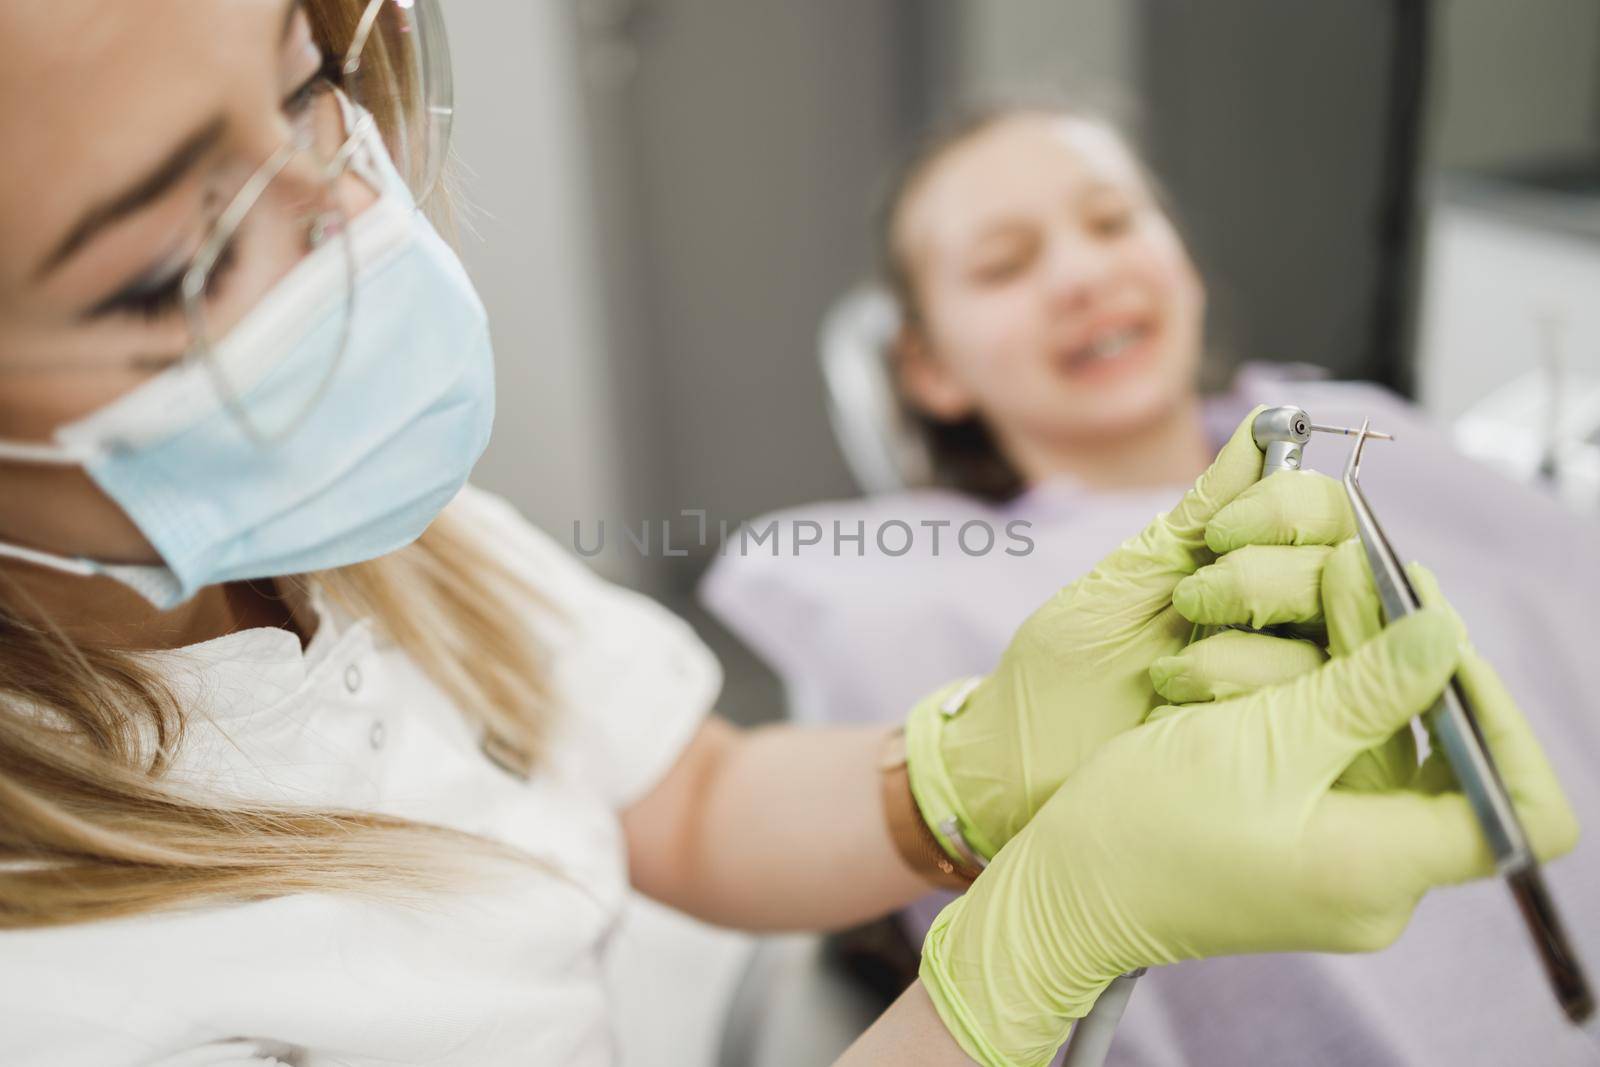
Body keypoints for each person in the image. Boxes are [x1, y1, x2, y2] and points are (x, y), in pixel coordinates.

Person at [0, 8, 1575, 1067]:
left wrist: (965, 767)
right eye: (166, 271)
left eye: (311, 90)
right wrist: (1021, 954)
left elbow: (682, 789)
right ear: (931, 369)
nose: (351, 223)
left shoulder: (380, 538)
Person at [701, 102, 1600, 1063]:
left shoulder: (1351, 419)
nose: (1083, 274)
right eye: (1007, 265)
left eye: (1114, 221)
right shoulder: (924, 584)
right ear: (928, 368)